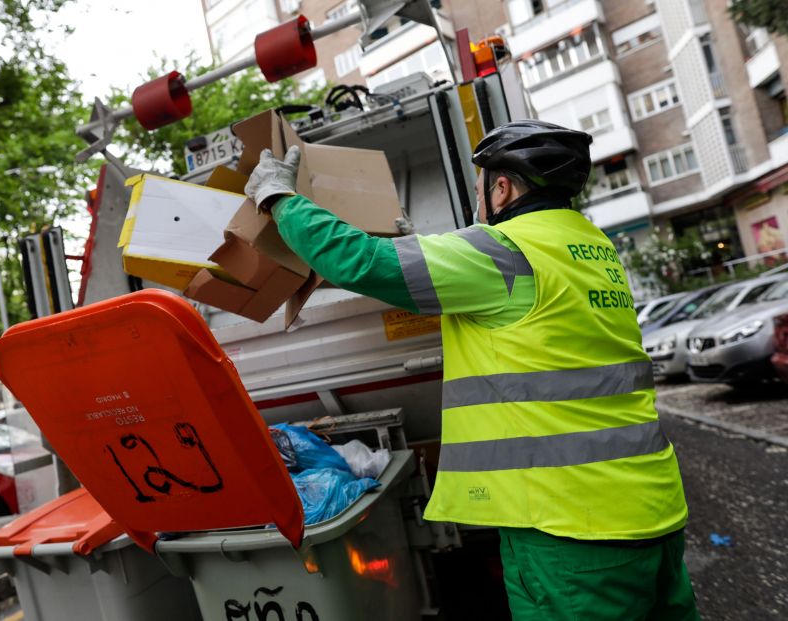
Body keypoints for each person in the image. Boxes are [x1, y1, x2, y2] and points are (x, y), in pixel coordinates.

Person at [244, 119, 700, 620]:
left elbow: (361, 261)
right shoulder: (591, 248)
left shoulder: (504, 252)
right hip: (651, 507)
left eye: (481, 186)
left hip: (570, 526)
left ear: (500, 187)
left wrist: (279, 200)